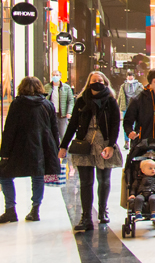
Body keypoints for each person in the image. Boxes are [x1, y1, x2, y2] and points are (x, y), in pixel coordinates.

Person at [60, 72, 122, 231]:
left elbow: (115, 125)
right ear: (89, 83)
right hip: (84, 143)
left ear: (105, 82)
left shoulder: (110, 101)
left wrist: (111, 145)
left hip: (104, 143)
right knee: (86, 182)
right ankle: (86, 216)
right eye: (94, 81)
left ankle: (103, 211)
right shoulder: (81, 101)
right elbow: (73, 124)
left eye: (100, 80)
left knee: (104, 180)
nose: (97, 83)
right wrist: (63, 145)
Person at [0, 76, 60, 223]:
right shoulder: (47, 104)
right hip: (42, 147)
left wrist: (5, 153)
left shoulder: (17, 104)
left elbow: (9, 130)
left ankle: (10, 210)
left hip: (19, 147)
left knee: (5, 176)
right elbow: (54, 129)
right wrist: (56, 150)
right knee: (38, 177)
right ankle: (35, 209)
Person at [123, 69, 155, 172]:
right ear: (154, 81)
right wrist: (130, 132)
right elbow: (128, 120)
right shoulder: (138, 99)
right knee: (137, 171)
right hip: (140, 142)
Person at [46, 71, 74, 182]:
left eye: (57, 75)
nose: (55, 77)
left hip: (62, 115)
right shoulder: (47, 87)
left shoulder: (66, 88)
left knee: (63, 134)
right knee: (52, 135)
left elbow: (71, 100)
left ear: (61, 77)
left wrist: (69, 112)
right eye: (53, 74)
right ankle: (54, 152)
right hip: (51, 115)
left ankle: (65, 151)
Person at [116, 73, 143, 149]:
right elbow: (120, 96)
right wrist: (118, 106)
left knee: (135, 125)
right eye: (129, 78)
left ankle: (135, 139)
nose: (130, 80)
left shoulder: (139, 86)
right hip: (126, 107)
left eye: (131, 78)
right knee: (127, 125)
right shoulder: (123, 86)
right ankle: (126, 141)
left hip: (136, 108)